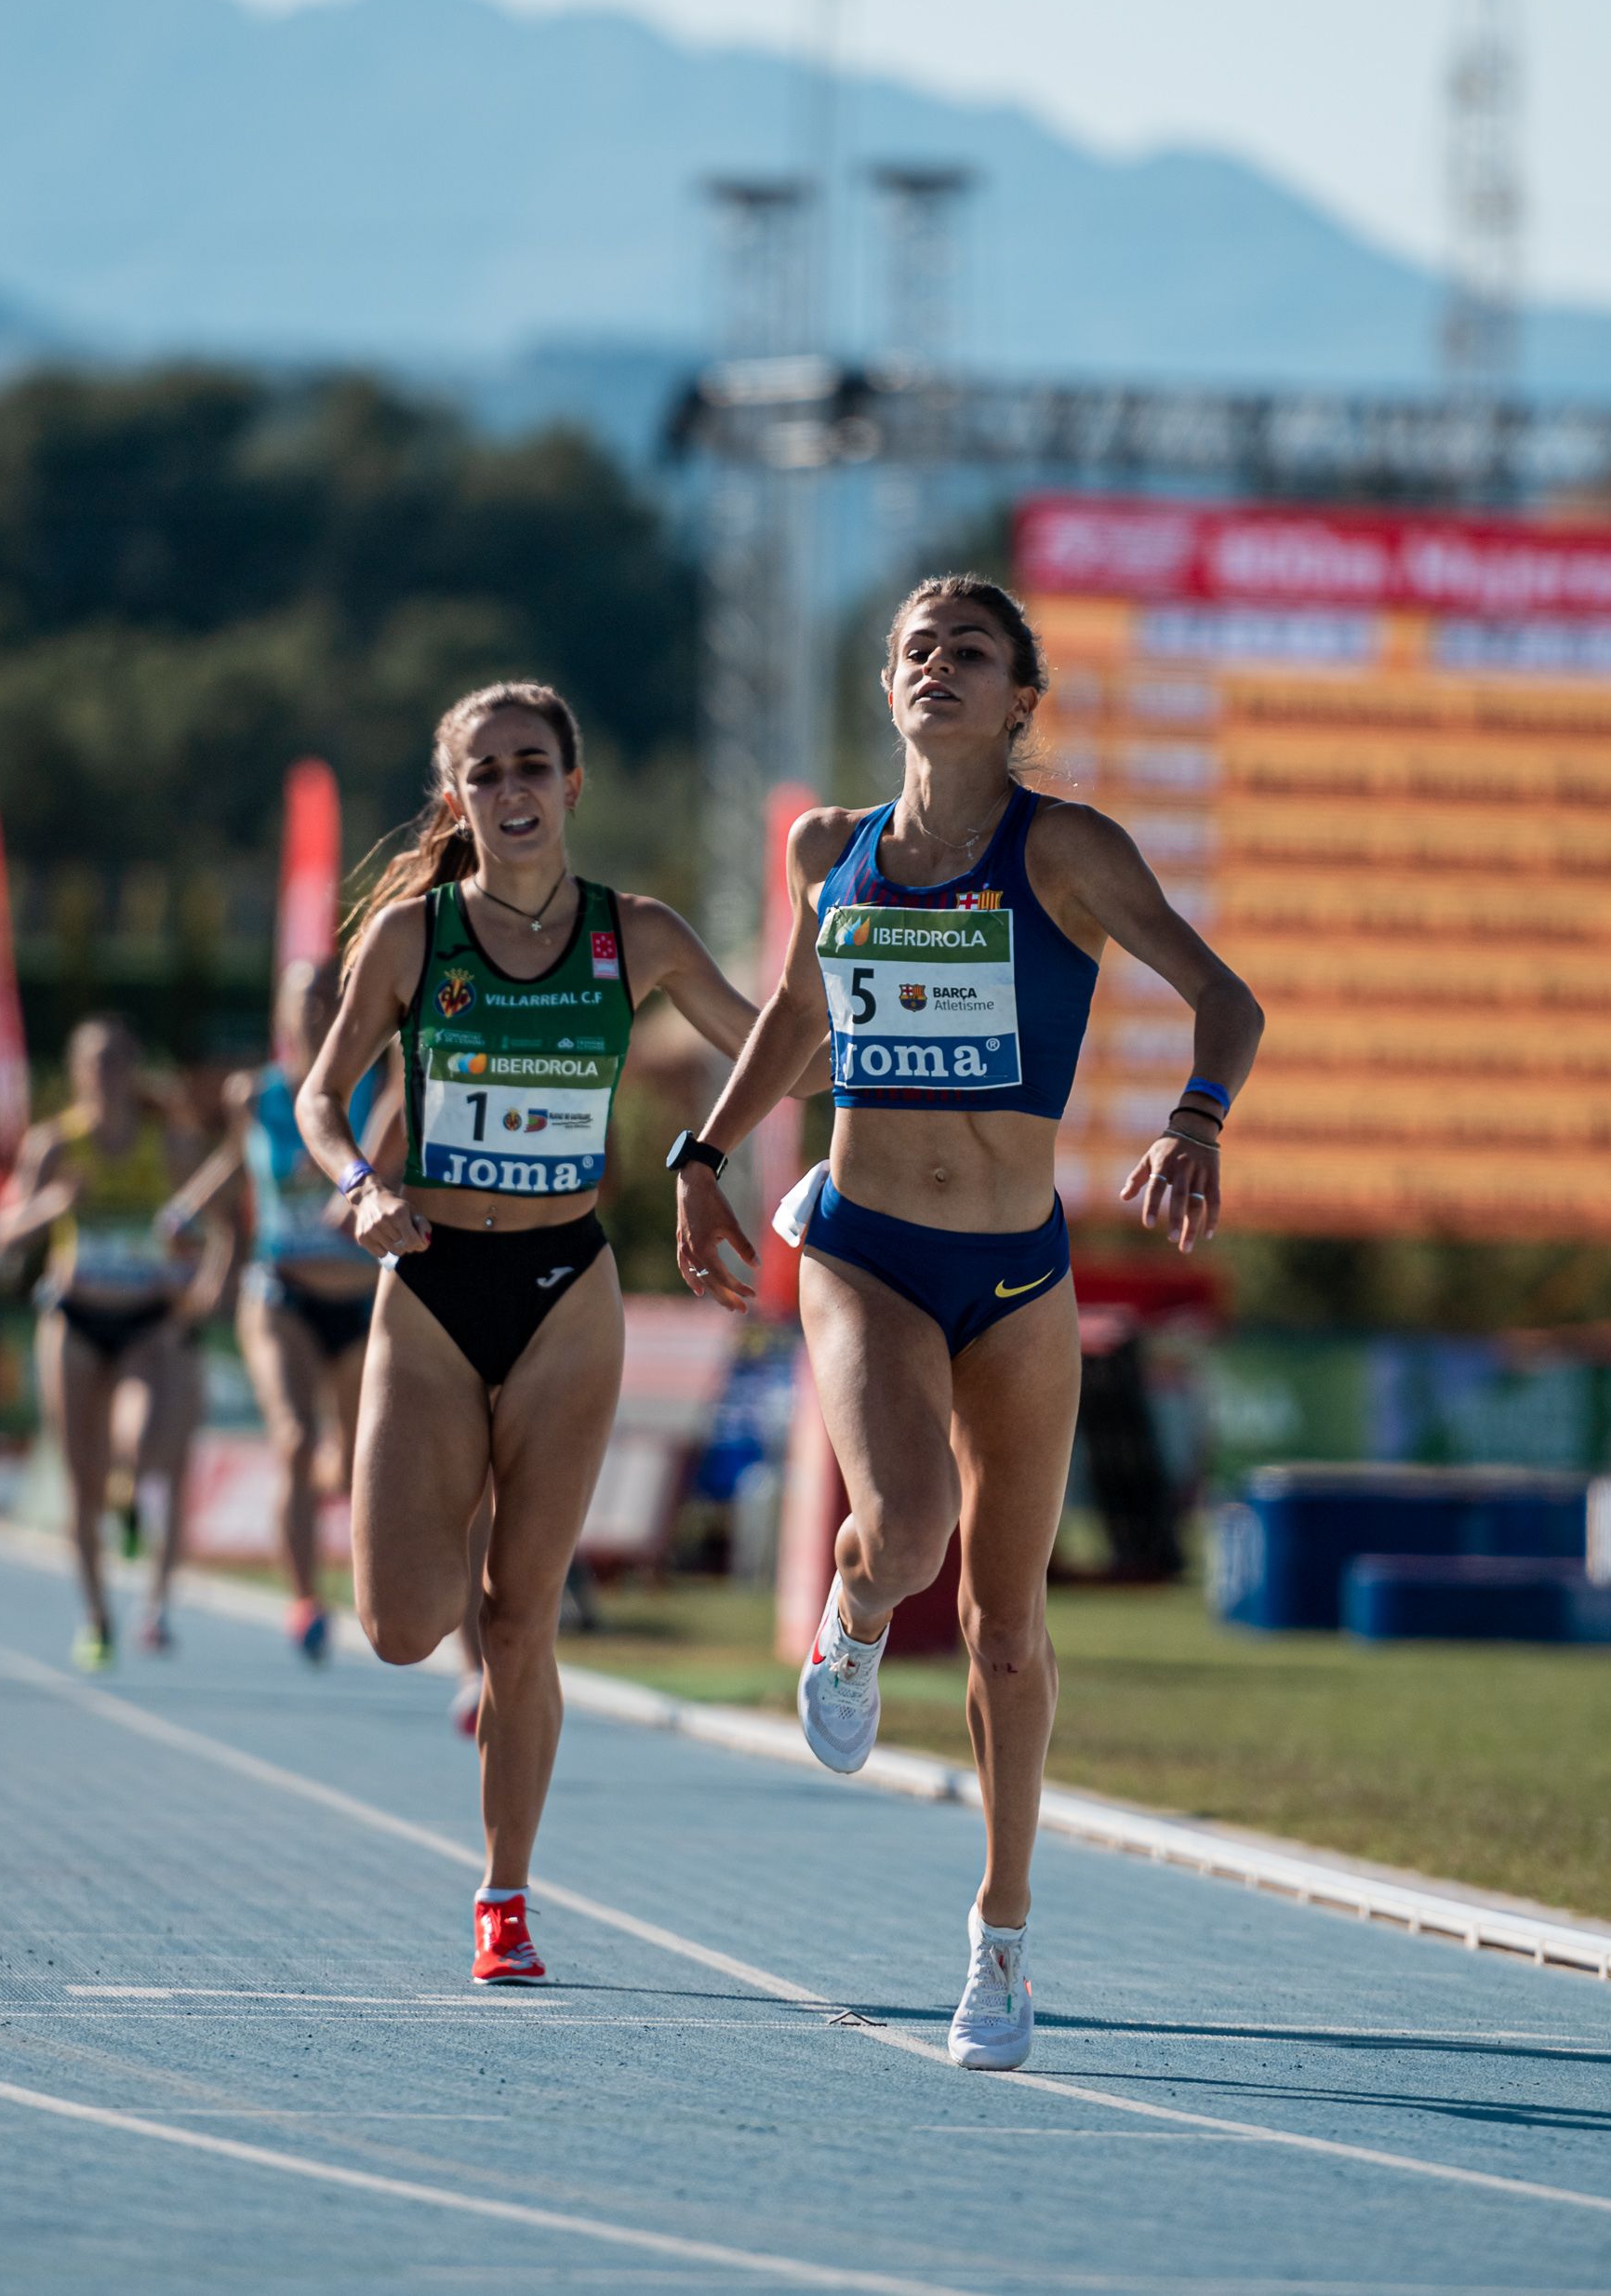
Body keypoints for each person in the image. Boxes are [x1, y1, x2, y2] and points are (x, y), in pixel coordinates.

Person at [672, 575, 1262, 2071]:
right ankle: (856, 1615)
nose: (940, 666)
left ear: (1020, 699)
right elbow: (799, 1027)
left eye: (973, 651)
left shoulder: (1065, 850)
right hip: (864, 1247)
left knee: (1011, 1627)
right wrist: (699, 1156)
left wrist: (1196, 1119)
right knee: (911, 1533)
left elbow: (1227, 998)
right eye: (917, 650)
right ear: (888, 689)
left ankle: (1000, 1942)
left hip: (1018, 1276)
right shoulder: (834, 848)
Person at [299, 681, 776, 1984]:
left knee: (522, 1622)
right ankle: (440, 1506)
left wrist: (701, 1155)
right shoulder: (412, 937)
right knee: (403, 1625)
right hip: (434, 1280)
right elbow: (317, 1091)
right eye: (486, 773)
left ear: (574, 784)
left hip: (571, 1285)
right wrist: (360, 1181)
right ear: (459, 798)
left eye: (533, 767)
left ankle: (505, 1894)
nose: (512, 792)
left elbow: (783, 1047)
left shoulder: (641, 935)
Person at [171, 960, 390, 1671]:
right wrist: (187, 1210)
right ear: (285, 1015)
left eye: (333, 999)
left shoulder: (377, 1089)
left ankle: (326, 1495)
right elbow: (239, 1163)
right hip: (279, 1294)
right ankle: (305, 1600)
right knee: (295, 1440)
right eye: (308, 1002)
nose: (322, 1012)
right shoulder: (256, 1094)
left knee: (359, 1470)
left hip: (362, 1296)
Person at [0, 1015, 215, 1670]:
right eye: (95, 1061)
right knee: (78, 1478)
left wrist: (191, 1271)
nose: (108, 1073)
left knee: (145, 1443)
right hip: (74, 1315)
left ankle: (129, 1494)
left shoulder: (165, 1145)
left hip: (146, 1315)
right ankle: (95, 1617)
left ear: (133, 1067)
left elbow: (207, 1225)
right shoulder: (56, 1145)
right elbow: (3, 1235)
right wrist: (54, 1203)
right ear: (77, 1072)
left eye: (118, 1059)